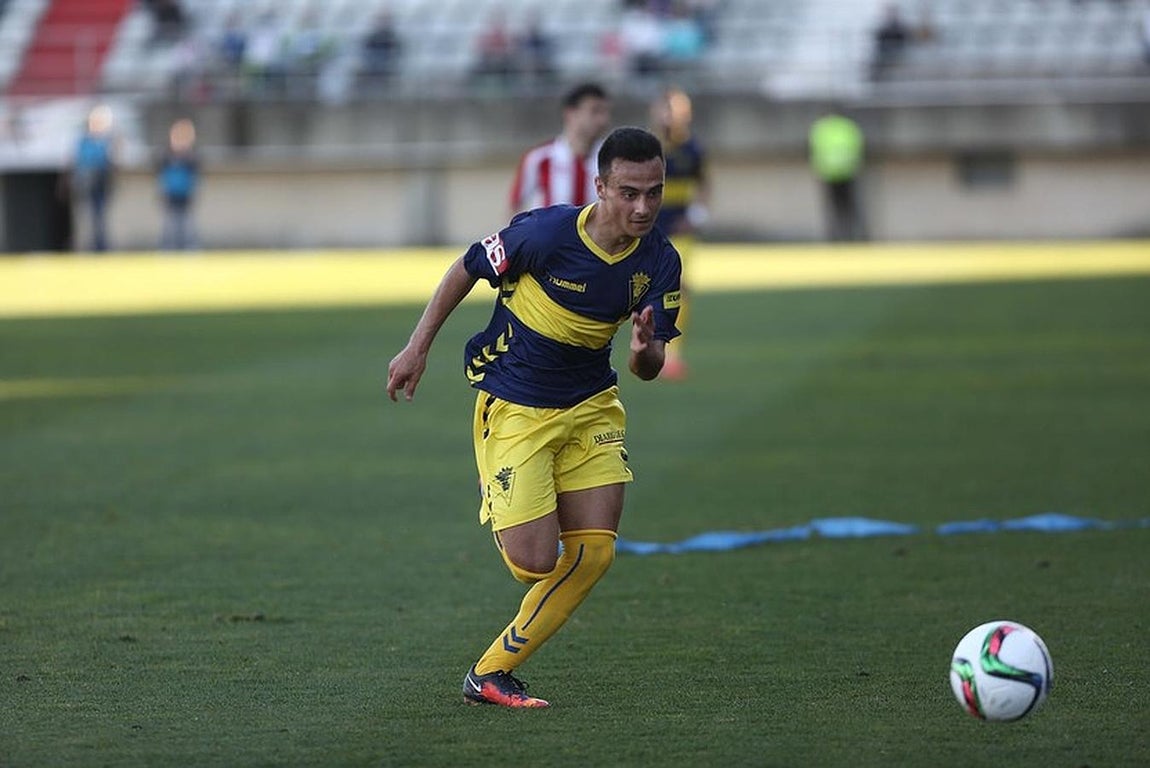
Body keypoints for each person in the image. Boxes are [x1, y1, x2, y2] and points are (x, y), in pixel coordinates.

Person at [387, 126, 682, 709]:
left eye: (654, 192)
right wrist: (417, 348)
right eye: (629, 192)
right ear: (600, 186)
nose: (643, 207)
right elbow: (466, 268)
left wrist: (643, 349)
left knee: (594, 552)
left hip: (593, 405)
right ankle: (499, 486)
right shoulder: (546, 234)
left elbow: (649, 367)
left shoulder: (660, 261)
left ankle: (491, 673)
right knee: (534, 563)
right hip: (518, 403)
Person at [650, 86, 707, 381]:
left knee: (679, 288)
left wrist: (696, 215)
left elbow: (704, 185)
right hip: (649, 230)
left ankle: (671, 354)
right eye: (668, 109)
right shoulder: (648, 148)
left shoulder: (693, 149)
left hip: (679, 231)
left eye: (678, 109)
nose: (672, 115)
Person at [508, 82, 611, 216]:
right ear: (570, 114)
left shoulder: (611, 160)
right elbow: (514, 207)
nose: (603, 120)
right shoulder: (539, 158)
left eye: (605, 112)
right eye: (595, 111)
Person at [808, 108, 866, 243]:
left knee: (835, 208)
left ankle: (836, 237)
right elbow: (858, 147)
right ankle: (853, 236)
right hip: (847, 171)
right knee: (850, 208)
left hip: (829, 173)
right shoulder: (849, 127)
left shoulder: (821, 128)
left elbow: (813, 150)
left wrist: (818, 169)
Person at [71, 104, 118, 252]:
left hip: (101, 182)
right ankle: (88, 245)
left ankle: (101, 245)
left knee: (100, 215)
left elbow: (110, 161)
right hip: (87, 183)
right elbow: (80, 161)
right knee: (87, 216)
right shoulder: (84, 141)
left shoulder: (106, 141)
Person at [156, 118, 200, 251]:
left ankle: (189, 248)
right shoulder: (166, 154)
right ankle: (168, 249)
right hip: (170, 193)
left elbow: (196, 171)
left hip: (185, 193)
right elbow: (158, 170)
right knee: (169, 224)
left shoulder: (191, 156)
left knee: (187, 224)